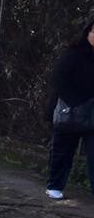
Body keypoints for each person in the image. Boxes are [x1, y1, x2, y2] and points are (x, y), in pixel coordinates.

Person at [46, 18, 94, 199]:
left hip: (92, 114)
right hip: (70, 110)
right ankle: (55, 185)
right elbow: (58, 79)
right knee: (62, 151)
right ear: (88, 32)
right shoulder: (73, 53)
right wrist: (76, 102)